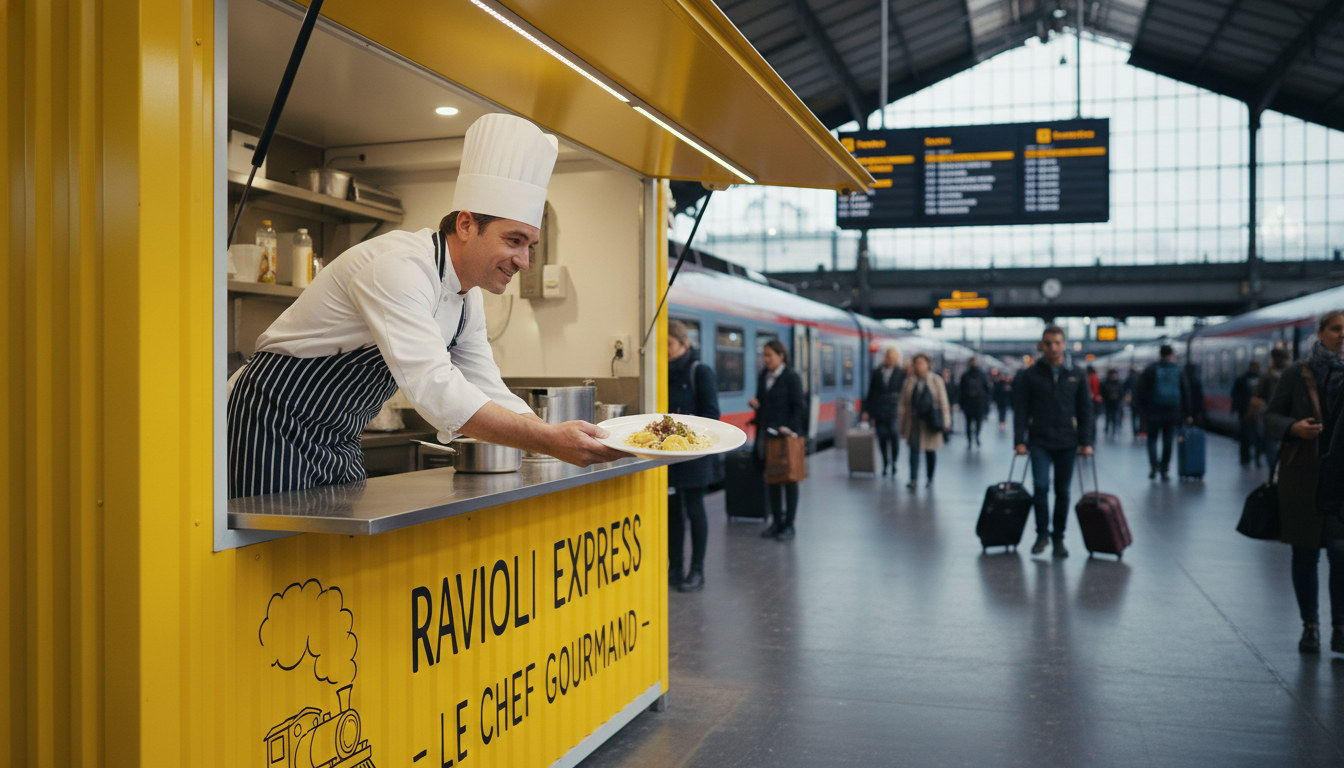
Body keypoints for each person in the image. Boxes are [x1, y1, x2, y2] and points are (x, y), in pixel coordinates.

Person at [227, 114, 627, 498]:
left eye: (530, 246)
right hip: (269, 422)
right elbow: (435, 387)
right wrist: (548, 440)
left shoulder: (467, 299)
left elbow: (485, 385)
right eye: (514, 241)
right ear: (466, 225)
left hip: (338, 438)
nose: (524, 262)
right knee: (271, 542)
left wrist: (554, 437)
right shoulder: (399, 268)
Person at [1263, 309, 1344, 654]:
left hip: (1340, 478)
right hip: (1303, 475)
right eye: (1336, 329)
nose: (1343, 335)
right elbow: (1270, 415)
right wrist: (1293, 428)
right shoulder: (1298, 373)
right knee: (1305, 552)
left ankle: (1340, 627)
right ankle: (1310, 625)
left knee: (1340, 553)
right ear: (1320, 333)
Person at [1014, 325, 1095, 557]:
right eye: (1048, 343)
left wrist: (1086, 441)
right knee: (1040, 487)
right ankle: (1042, 534)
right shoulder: (1030, 375)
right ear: (1042, 346)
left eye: (1057, 343)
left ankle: (1058, 537)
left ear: (1064, 344)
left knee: (1063, 491)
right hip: (1039, 441)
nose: (1053, 347)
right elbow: (1021, 409)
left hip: (1067, 442)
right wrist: (1019, 440)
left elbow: (1085, 410)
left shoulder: (1077, 374)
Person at [666, 320, 720, 592]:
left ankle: (697, 571)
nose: (665, 349)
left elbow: (712, 414)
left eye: (670, 344)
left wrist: (684, 429)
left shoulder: (699, 371)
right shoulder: (661, 373)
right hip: (669, 456)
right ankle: (675, 568)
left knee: (695, 510)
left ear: (684, 344)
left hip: (695, 456)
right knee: (673, 511)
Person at [750, 340, 807, 541]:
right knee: (772, 479)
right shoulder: (763, 376)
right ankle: (776, 522)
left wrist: (790, 428)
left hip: (786, 436)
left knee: (789, 480)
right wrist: (756, 405)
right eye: (764, 356)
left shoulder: (791, 377)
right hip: (767, 434)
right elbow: (763, 402)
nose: (766, 360)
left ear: (781, 356)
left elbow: (799, 406)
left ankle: (789, 524)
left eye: (770, 356)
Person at [1136, 345, 1190, 482]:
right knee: (1168, 441)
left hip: (1153, 411)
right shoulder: (1178, 370)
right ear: (1171, 354)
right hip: (1172, 412)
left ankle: (1153, 466)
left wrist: (1144, 408)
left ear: (1159, 354)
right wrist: (1187, 413)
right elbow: (1185, 392)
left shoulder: (1151, 369)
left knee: (1152, 440)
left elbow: (1141, 391)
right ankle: (1164, 470)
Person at [899, 353, 951, 489]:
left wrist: (946, 421)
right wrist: (902, 426)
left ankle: (930, 478)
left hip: (931, 421)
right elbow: (904, 404)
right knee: (914, 450)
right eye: (916, 363)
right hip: (914, 421)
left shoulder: (936, 380)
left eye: (922, 363)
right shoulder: (909, 382)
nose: (919, 366)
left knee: (930, 451)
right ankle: (913, 479)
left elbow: (943, 402)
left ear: (928, 365)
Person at [861, 346, 906, 477]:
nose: (890, 359)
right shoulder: (877, 372)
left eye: (893, 356)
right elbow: (871, 392)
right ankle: (885, 462)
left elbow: (904, 393)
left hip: (894, 410)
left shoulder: (901, 373)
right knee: (882, 437)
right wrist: (866, 410)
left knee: (894, 437)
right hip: (880, 410)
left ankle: (894, 462)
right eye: (888, 356)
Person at [1252, 347, 1291, 468]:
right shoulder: (1292, 374)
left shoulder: (1267, 375)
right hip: (1288, 415)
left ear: (1273, 358)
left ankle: (1273, 467)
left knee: (1270, 442)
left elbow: (1258, 395)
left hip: (1271, 414)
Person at [1231, 361, 1262, 467]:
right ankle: (1245, 458)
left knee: (1257, 436)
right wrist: (1238, 409)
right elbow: (1235, 395)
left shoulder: (1261, 379)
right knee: (1245, 436)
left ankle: (1256, 458)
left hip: (1257, 412)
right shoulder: (1242, 379)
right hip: (1245, 412)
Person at [959, 358, 991, 448]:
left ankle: (976, 436)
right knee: (968, 423)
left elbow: (986, 389)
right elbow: (961, 390)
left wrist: (986, 402)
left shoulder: (981, 374)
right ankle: (969, 440)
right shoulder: (966, 375)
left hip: (978, 403)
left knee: (978, 422)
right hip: (969, 403)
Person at [1100, 368, 1124, 436]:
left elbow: (1122, 392)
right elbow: (1103, 392)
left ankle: (1113, 429)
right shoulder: (1106, 382)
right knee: (1108, 416)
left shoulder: (1119, 383)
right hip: (1108, 402)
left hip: (1116, 402)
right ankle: (1107, 429)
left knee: (1115, 416)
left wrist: (1118, 396)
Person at [1185, 363, 1207, 427]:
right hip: (1195, 406)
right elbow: (1199, 395)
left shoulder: (1185, 380)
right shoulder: (1197, 381)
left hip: (1187, 408)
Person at [1124, 365, 1144, 437]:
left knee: (1134, 417)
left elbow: (1124, 388)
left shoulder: (1130, 378)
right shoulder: (1141, 379)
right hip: (1140, 401)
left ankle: (1135, 430)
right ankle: (1139, 429)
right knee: (1139, 416)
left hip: (1134, 400)